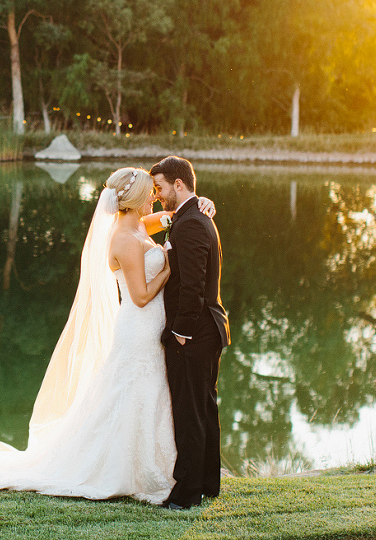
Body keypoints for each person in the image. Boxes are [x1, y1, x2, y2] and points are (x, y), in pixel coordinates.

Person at [0, 167, 214, 504]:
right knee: (133, 394)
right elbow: (141, 297)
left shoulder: (141, 226)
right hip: (138, 326)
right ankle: (123, 469)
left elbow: (174, 215)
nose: (155, 197)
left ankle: (158, 466)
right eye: (151, 193)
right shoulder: (124, 239)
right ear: (136, 199)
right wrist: (170, 268)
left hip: (150, 326)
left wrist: (201, 202)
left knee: (150, 395)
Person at [149, 155, 229, 510]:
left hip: (194, 333)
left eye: (160, 187)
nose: (158, 194)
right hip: (207, 331)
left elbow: (193, 286)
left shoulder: (192, 223)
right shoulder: (192, 216)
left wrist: (180, 332)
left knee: (189, 412)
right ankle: (209, 482)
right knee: (204, 408)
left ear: (178, 184)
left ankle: (186, 494)